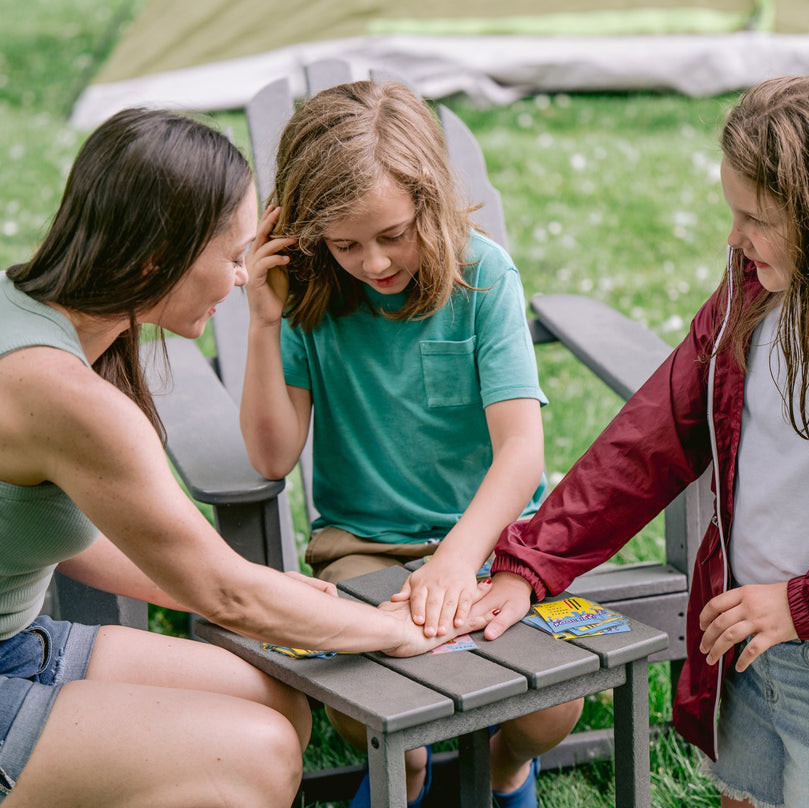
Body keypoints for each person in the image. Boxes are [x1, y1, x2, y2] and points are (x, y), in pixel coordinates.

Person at [0, 107, 472, 808]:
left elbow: (119, 549)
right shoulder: (58, 391)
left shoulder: (11, 302)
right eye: (232, 256)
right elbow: (225, 596)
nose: (243, 277)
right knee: (257, 756)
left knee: (277, 703)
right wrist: (390, 628)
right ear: (160, 260)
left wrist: (253, 588)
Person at [477, 74, 809, 808]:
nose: (734, 237)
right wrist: (533, 562)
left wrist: (806, 605)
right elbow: (647, 442)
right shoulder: (751, 302)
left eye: (756, 217)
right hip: (745, 655)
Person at [239, 80, 584, 808]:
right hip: (362, 545)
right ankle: (409, 777)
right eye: (345, 244)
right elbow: (272, 458)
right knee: (382, 715)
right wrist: (264, 324)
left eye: (393, 234)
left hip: (492, 541)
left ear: (430, 203)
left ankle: (503, 768)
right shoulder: (308, 297)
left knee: (553, 708)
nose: (373, 263)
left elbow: (521, 451)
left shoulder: (483, 276)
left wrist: (457, 561)